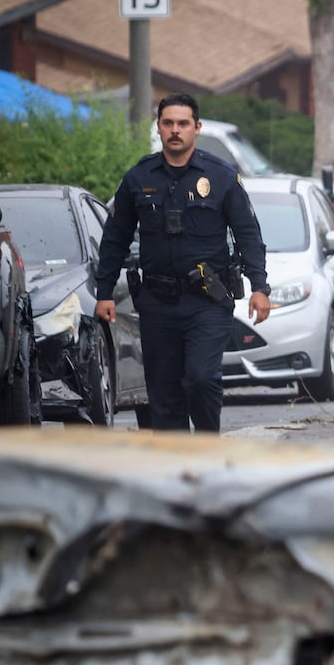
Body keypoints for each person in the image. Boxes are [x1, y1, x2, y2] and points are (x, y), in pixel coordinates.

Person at [94, 93, 271, 433]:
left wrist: (260, 287)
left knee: (201, 378)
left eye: (183, 123)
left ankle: (205, 444)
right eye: (168, 123)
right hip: (157, 303)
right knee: (164, 393)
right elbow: (115, 238)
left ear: (197, 128)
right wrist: (104, 292)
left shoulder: (221, 177)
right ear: (159, 128)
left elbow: (248, 234)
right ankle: (176, 460)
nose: (175, 130)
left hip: (207, 300)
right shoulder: (139, 178)